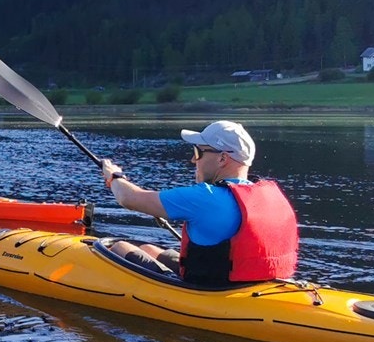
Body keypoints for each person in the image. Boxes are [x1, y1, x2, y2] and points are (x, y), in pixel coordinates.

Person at [98, 119, 298, 286]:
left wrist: (114, 176)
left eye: (198, 153)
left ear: (222, 158)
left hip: (211, 288)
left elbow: (128, 198)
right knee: (149, 250)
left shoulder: (205, 196)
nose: (194, 161)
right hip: (253, 283)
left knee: (118, 247)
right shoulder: (271, 195)